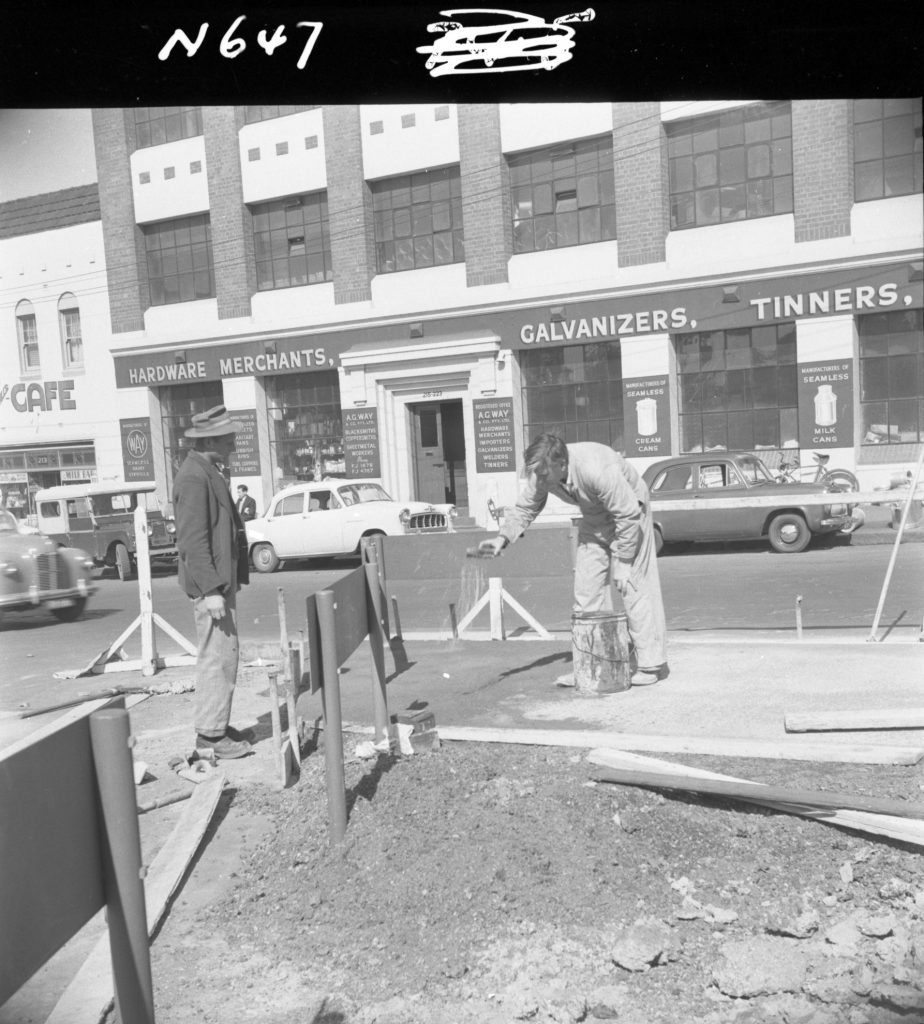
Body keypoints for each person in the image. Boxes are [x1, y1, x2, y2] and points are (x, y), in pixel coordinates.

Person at [477, 433, 668, 687]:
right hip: (595, 518)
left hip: (632, 512)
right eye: (537, 475)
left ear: (562, 465)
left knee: (634, 585)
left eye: (544, 475)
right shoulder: (543, 470)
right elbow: (525, 508)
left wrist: (623, 563)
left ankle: (650, 665)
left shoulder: (597, 468)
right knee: (586, 591)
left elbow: (628, 515)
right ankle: (591, 666)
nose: (540, 481)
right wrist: (502, 539)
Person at [173, 405, 252, 758]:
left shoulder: (207, 470)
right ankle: (210, 737)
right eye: (229, 437)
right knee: (216, 658)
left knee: (224, 655)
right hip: (212, 588)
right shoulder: (194, 477)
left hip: (218, 584)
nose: (234, 442)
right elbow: (192, 541)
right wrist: (210, 590)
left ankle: (215, 726)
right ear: (210, 440)